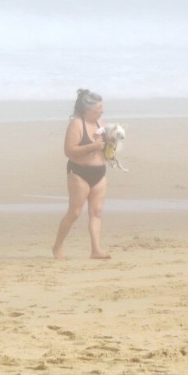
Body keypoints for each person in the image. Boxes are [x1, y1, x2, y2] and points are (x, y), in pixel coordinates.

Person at [53, 88, 111, 259]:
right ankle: (57, 246)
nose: (102, 110)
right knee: (75, 212)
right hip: (79, 173)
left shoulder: (102, 123)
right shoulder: (77, 124)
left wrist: (112, 145)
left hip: (99, 173)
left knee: (96, 212)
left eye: (102, 107)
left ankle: (96, 250)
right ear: (88, 109)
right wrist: (93, 146)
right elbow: (69, 151)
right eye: (99, 108)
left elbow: (106, 151)